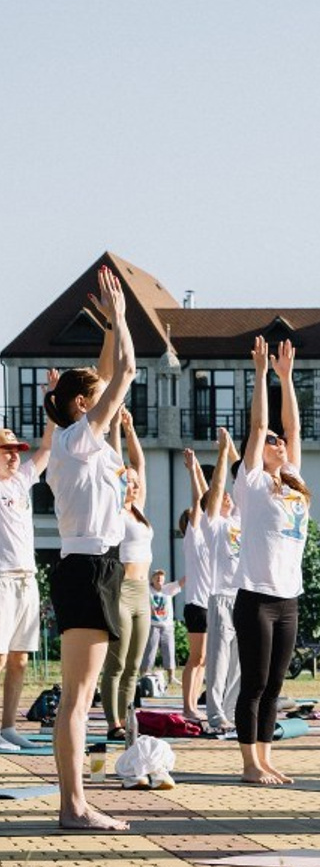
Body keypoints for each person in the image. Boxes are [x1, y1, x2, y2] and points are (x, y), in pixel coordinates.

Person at [44, 266, 135, 830]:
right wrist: (120, 317)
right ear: (81, 405)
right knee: (77, 698)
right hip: (85, 568)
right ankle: (74, 806)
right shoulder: (78, 441)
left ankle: (75, 803)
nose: (106, 405)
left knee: (84, 696)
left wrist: (107, 327)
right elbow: (123, 370)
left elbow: (107, 369)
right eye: (94, 399)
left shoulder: (79, 441)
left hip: (98, 566)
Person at [233, 335, 310, 786]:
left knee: (276, 687)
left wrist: (287, 378)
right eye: (272, 442)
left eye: (282, 443)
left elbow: (293, 429)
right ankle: (248, 764)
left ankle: (264, 758)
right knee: (255, 683)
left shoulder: (293, 480)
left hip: (288, 599)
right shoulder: (252, 483)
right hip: (256, 599)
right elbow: (261, 425)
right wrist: (262, 376)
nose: (279, 443)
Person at [0, 396, 55, 751]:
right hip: (1, 579)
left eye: (16, 449)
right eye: (6, 450)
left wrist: (51, 403)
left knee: (20, 658)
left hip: (26, 578)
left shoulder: (20, 482)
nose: (14, 455)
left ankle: (7, 728)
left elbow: (48, 447)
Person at [101, 408, 152, 739]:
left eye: (135, 483)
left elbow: (139, 464)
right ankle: (113, 724)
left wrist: (131, 428)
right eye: (129, 482)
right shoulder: (115, 512)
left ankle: (128, 718)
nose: (134, 485)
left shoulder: (139, 511)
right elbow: (120, 463)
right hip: (121, 590)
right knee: (116, 663)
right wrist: (117, 432)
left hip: (144, 593)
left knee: (136, 664)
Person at [203, 428, 242, 735]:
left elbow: (243, 481)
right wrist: (220, 455)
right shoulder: (214, 524)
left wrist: (233, 453)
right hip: (221, 597)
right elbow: (217, 490)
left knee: (240, 662)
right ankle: (215, 714)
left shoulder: (241, 519)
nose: (228, 496)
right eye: (222, 497)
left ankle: (231, 711)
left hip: (245, 595)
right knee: (219, 660)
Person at [175, 449, 212, 720]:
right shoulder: (192, 536)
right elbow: (200, 499)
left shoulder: (209, 536)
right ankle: (187, 707)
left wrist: (199, 472)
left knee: (204, 660)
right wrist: (193, 470)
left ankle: (194, 706)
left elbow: (207, 498)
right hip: (197, 605)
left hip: (209, 604)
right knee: (196, 658)